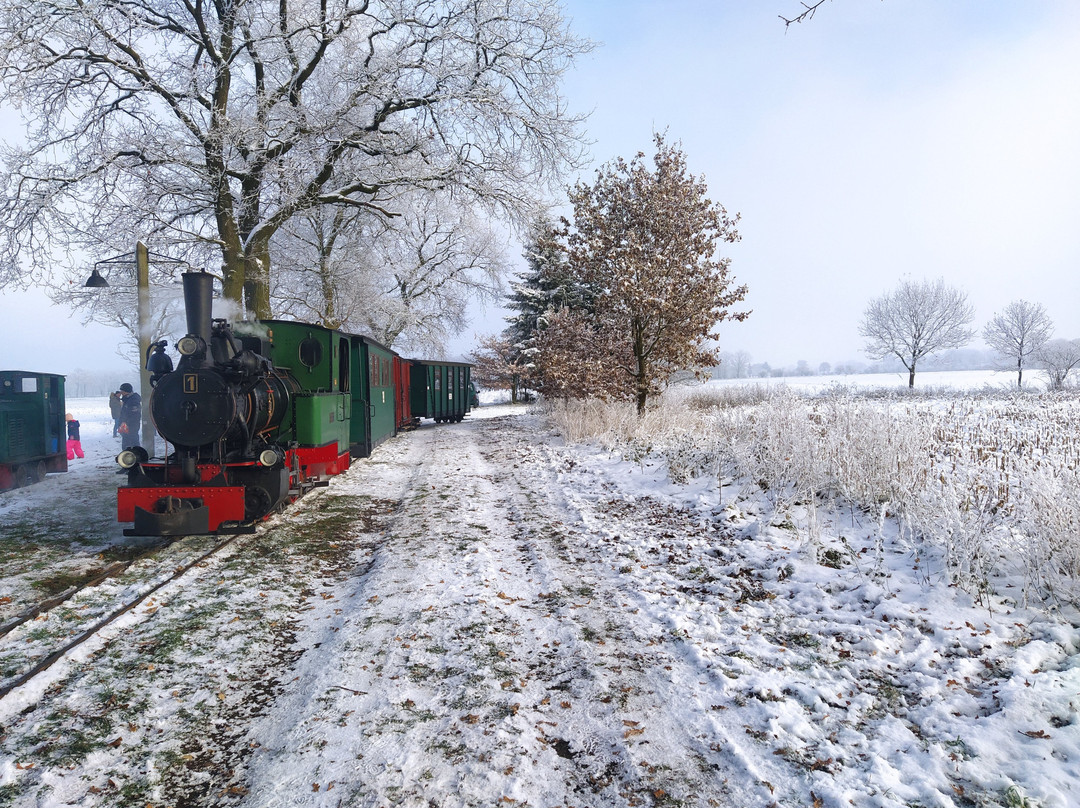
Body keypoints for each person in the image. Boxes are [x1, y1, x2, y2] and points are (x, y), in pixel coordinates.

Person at [117, 382, 142, 450]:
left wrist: (125, 423)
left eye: (122, 390)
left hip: (131, 426)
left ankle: (135, 456)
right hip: (126, 426)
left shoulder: (133, 401)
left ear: (126, 391)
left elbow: (134, 415)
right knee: (126, 443)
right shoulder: (127, 399)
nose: (121, 392)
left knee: (133, 443)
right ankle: (127, 456)